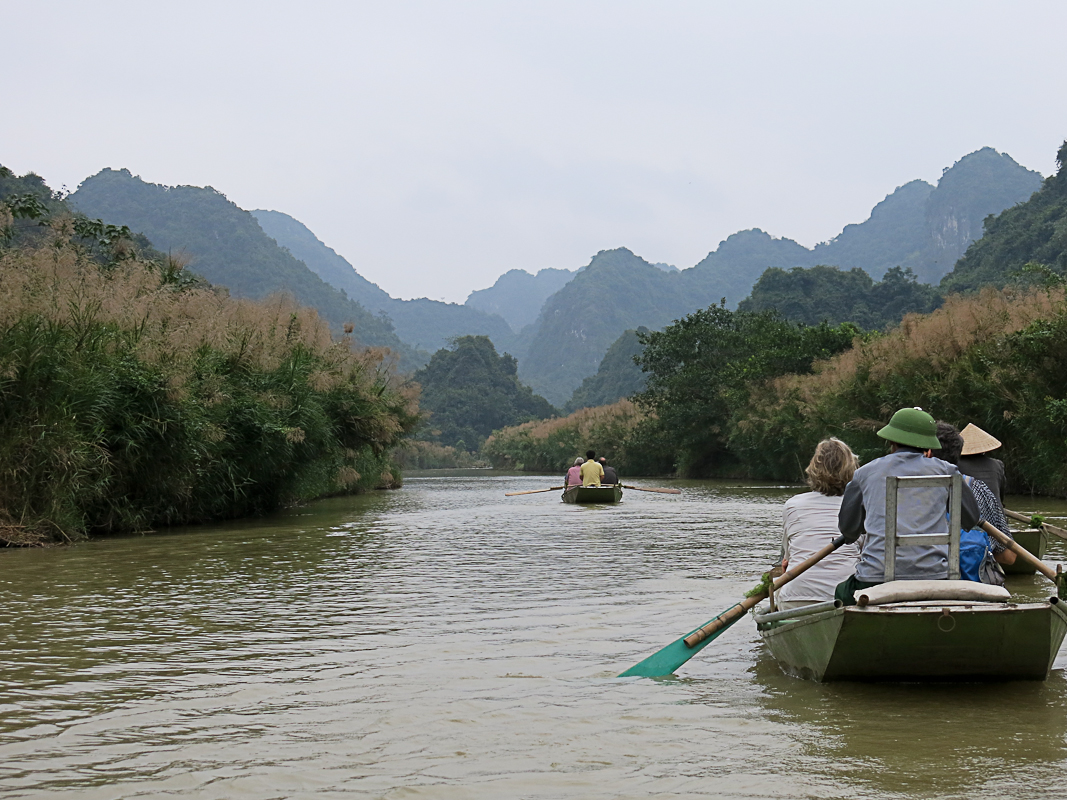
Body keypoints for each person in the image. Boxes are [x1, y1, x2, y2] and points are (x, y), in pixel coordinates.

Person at [834, 407, 981, 605]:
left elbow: (848, 531)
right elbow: (970, 519)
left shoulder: (865, 473)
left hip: (874, 580)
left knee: (842, 592)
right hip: (936, 578)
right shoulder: (948, 472)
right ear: (928, 445)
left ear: (892, 441)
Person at [777, 439, 864, 609]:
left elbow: (787, 559)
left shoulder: (792, 505)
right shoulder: (862, 504)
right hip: (846, 596)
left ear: (813, 469)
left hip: (796, 596)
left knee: (778, 587)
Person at [935, 421, 1015, 577]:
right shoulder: (996, 465)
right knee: (1008, 554)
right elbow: (1001, 494)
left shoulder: (956, 468)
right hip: (988, 521)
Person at [958, 423, 1007, 505]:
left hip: (969, 513)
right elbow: (1001, 495)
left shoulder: (954, 465)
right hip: (995, 513)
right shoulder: (997, 464)